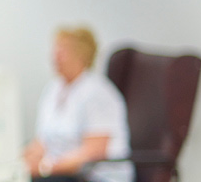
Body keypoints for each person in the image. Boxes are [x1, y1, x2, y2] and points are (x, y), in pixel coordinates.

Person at [25, 25, 132, 182]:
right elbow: (41, 142)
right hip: (60, 172)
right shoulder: (53, 89)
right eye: (55, 50)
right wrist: (21, 163)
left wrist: (45, 168)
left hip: (96, 176)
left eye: (62, 51)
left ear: (81, 55)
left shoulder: (97, 93)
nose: (55, 56)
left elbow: (93, 152)